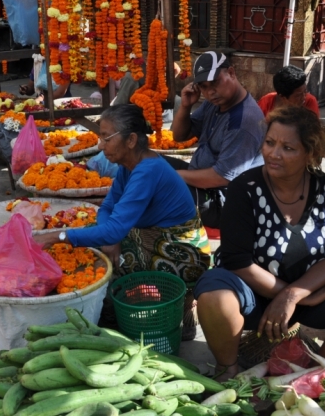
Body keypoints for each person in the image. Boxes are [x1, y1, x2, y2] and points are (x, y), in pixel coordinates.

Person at [195, 107, 325, 379]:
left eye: (288, 147)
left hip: (311, 295)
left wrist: (294, 295)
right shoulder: (245, 188)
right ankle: (228, 369)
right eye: (270, 142)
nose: (274, 153)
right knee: (213, 291)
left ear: (309, 153)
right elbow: (237, 260)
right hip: (253, 296)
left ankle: (316, 370)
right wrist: (286, 295)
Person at [35, 104, 211, 339]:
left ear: (130, 140)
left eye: (107, 138)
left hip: (181, 252)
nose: (100, 145)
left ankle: (116, 322)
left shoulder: (147, 171)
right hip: (151, 234)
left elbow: (114, 229)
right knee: (95, 243)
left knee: (105, 265)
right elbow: (108, 207)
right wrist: (111, 237)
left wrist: (56, 236)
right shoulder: (129, 166)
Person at [168, 51, 266, 228]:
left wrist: (173, 176)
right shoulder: (214, 103)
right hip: (201, 180)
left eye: (215, 82)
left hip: (223, 202)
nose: (210, 92)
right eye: (204, 87)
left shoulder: (243, 121)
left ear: (231, 73)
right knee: (145, 161)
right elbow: (180, 136)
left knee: (160, 187)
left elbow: (222, 177)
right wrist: (185, 105)